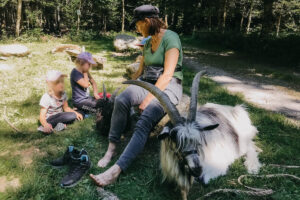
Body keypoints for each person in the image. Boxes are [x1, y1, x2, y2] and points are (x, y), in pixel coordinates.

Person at [90, 4, 183, 186]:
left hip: (169, 86)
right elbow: (142, 66)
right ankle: (111, 148)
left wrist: (148, 99)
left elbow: (167, 74)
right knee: (122, 98)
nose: (137, 28)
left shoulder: (171, 38)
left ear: (147, 21)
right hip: (147, 82)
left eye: (138, 24)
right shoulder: (147, 40)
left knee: (146, 117)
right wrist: (131, 83)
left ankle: (116, 170)